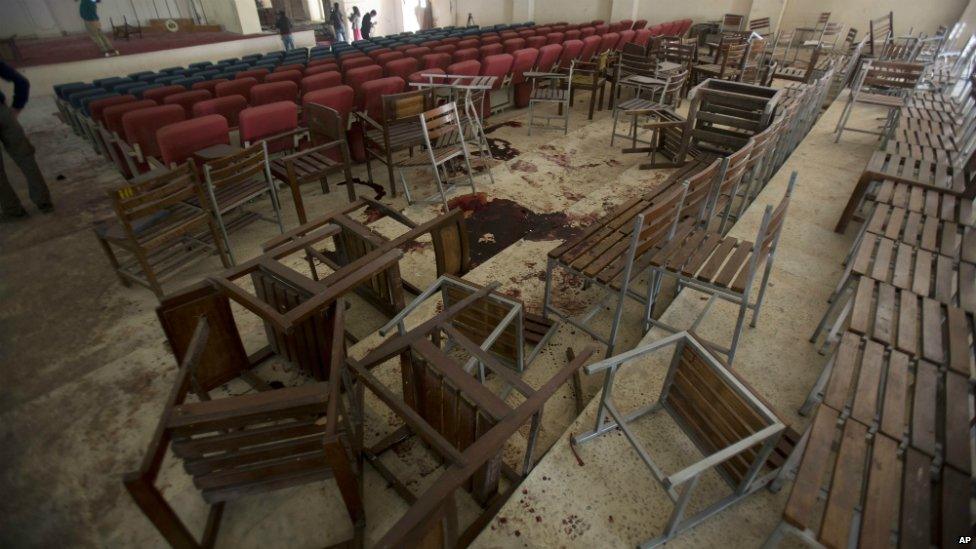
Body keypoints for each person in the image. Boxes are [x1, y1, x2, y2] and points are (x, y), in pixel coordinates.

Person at [0, 63, 53, 222]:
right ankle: (44, 203)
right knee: (26, 159)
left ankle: (13, 212)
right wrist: (16, 107)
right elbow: (22, 81)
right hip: (3, 115)